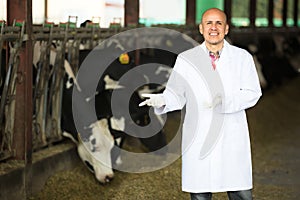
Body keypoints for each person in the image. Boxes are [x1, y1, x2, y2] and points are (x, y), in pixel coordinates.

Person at [139, 8, 262, 200]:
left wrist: (226, 101)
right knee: (200, 193)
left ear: (226, 28)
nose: (214, 28)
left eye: (218, 23)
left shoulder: (242, 58)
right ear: (201, 28)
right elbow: (176, 93)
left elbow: (253, 92)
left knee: (240, 192)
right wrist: (163, 99)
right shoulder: (187, 59)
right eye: (209, 23)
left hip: (231, 134)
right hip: (199, 134)